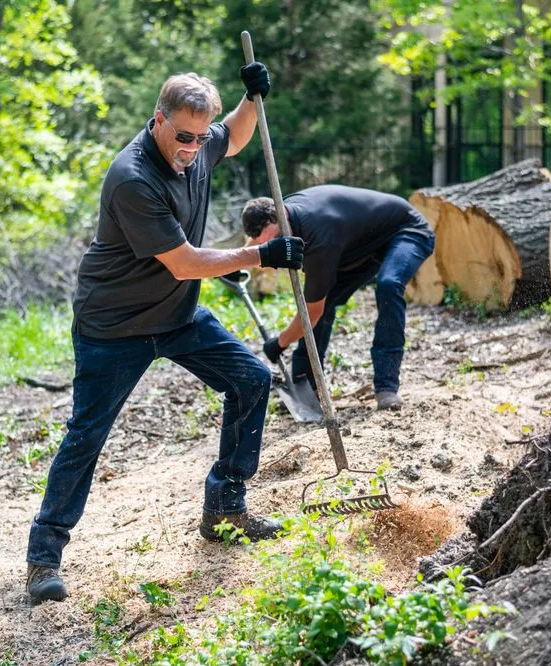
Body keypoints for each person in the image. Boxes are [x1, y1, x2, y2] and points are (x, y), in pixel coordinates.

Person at [25, 65, 305, 604]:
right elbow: (183, 262)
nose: (194, 148)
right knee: (88, 434)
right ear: (158, 121)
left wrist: (252, 96)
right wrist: (259, 254)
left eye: (201, 138)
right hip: (115, 327)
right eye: (184, 137)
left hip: (175, 317)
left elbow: (237, 133)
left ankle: (225, 504)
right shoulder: (133, 178)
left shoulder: (197, 145)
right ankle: (43, 557)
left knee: (251, 378)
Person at [241, 184, 434, 412]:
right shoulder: (281, 214)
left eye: (275, 240)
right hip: (360, 247)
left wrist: (279, 343)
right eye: (268, 243)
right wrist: (234, 263)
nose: (275, 247)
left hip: (407, 231)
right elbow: (255, 242)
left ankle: (387, 386)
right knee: (325, 298)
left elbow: (311, 313)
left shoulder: (318, 238)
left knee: (388, 285)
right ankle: (308, 389)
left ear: (280, 216)